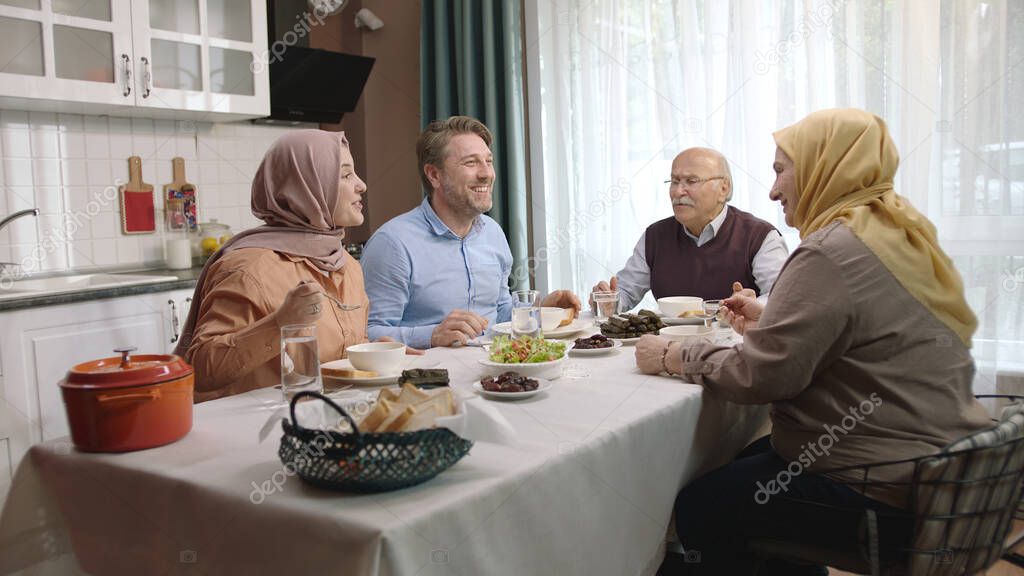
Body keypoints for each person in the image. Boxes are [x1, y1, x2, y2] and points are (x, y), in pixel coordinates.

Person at [635, 109, 991, 574]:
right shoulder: (896, 232)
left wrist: (674, 353)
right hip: (946, 472)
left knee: (702, 504)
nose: (772, 190)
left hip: (884, 491)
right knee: (738, 458)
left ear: (827, 166)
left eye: (782, 169)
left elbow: (762, 377)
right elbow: (864, 328)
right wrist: (776, 316)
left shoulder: (831, 248)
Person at [176, 130, 373, 402]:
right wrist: (280, 323)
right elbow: (200, 369)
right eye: (345, 174)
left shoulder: (347, 265)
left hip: (325, 421)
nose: (361, 184)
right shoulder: (247, 268)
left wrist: (373, 357)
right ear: (307, 187)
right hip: (256, 432)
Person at [361, 116, 580, 348]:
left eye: (488, 161)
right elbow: (365, 333)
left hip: (497, 371)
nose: (487, 174)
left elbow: (499, 313)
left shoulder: (493, 233)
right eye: (471, 163)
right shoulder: (392, 244)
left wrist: (542, 310)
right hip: (431, 378)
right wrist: (432, 335)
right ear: (434, 175)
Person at [591, 147, 787, 313]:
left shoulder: (760, 236)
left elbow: (783, 299)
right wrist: (609, 300)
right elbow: (625, 292)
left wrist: (750, 306)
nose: (677, 192)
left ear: (723, 189)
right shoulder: (655, 236)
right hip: (666, 347)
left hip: (733, 347)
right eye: (674, 181)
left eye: (691, 181)